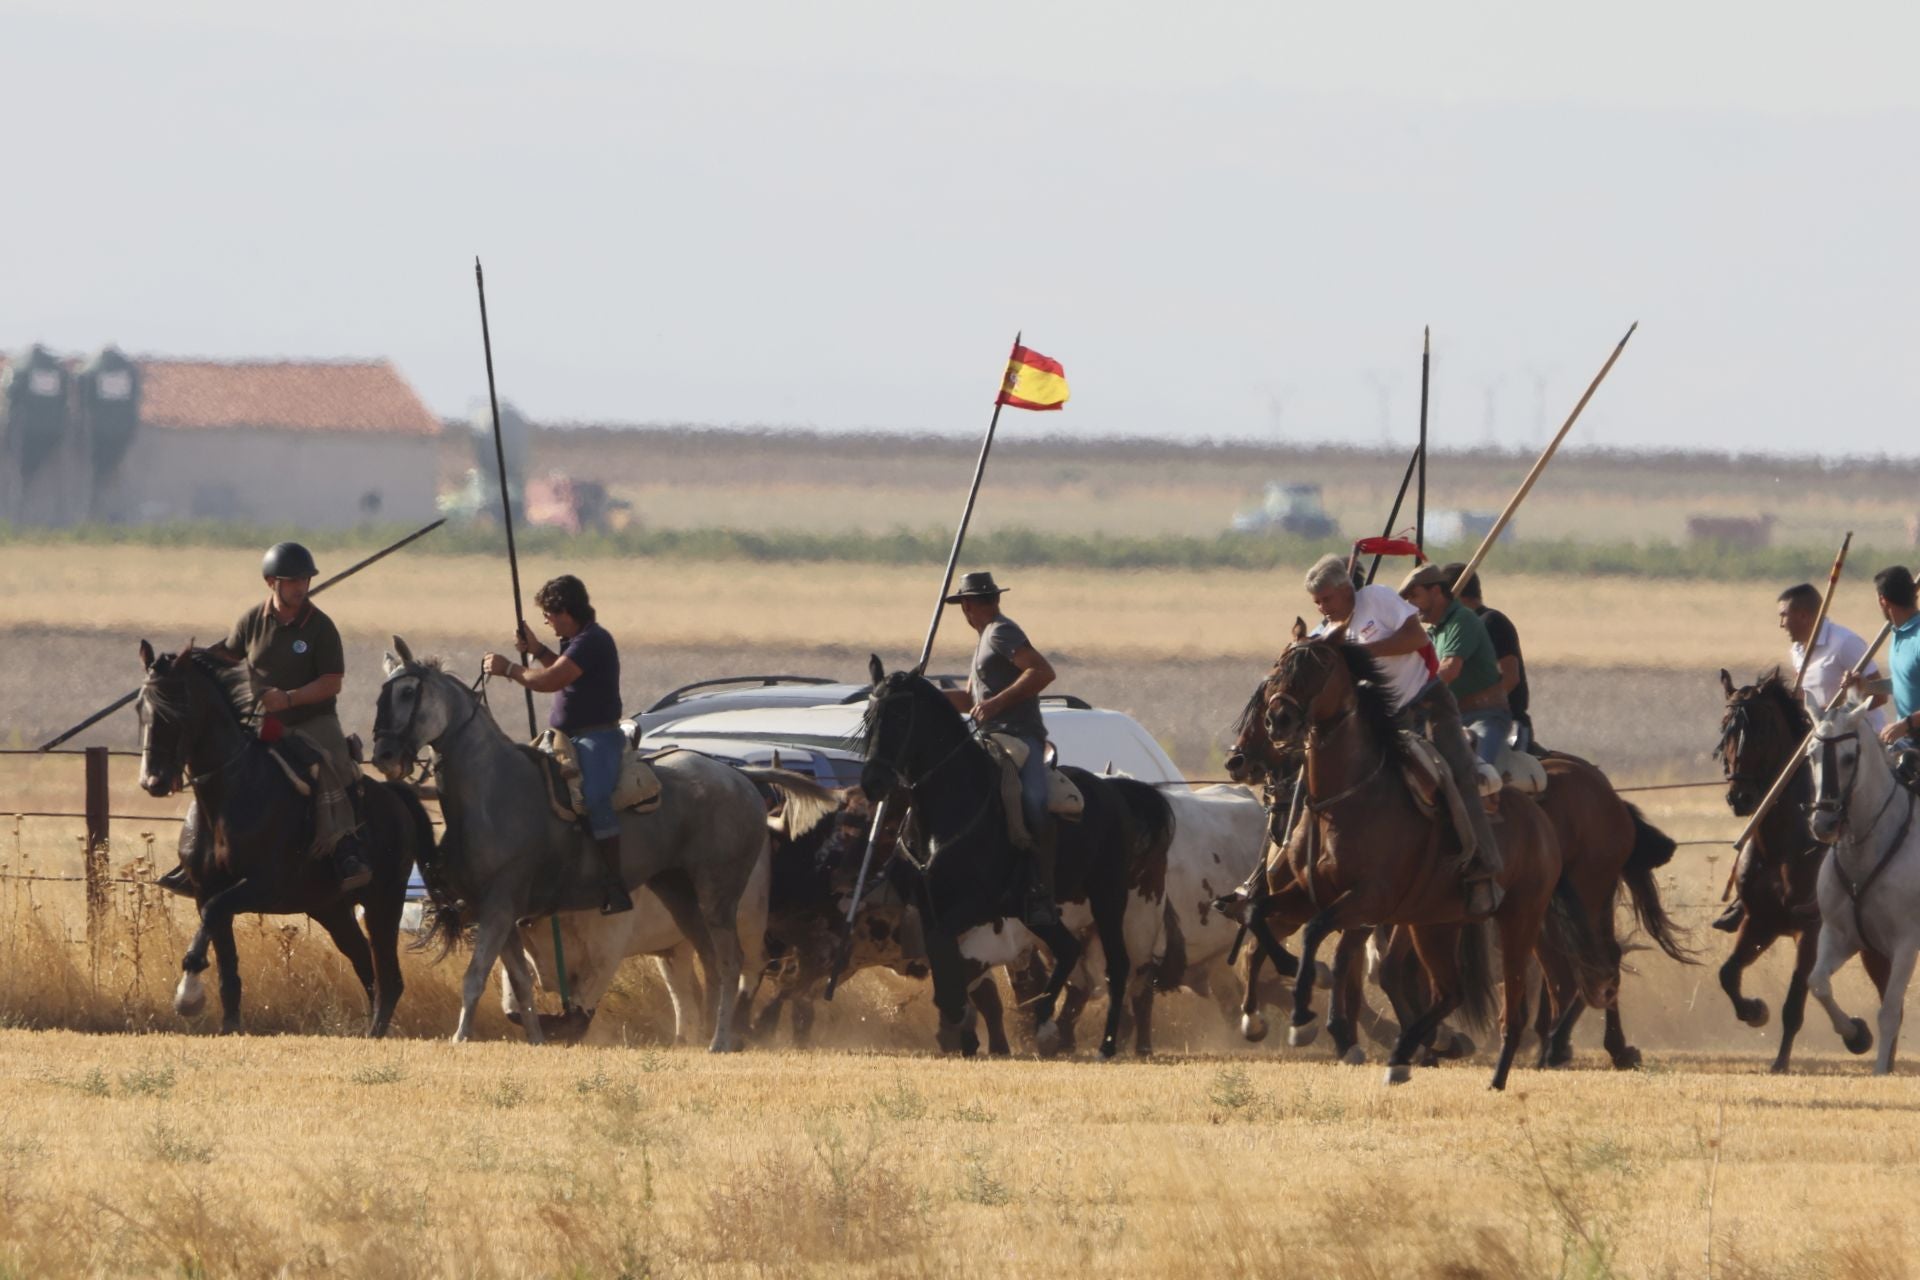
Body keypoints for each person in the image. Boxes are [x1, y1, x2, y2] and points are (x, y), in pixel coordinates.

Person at [1302, 553, 1502, 916]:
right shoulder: (1323, 634)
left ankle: (1482, 867)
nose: (1322, 607)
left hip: (1426, 705)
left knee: (1458, 773)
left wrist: (1360, 652)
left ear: (1346, 590)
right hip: (1379, 722)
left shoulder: (1376, 599)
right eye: (1317, 602)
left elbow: (1414, 637)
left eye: (1327, 599)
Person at [179, 542, 369, 892]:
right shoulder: (251, 620)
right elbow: (229, 656)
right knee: (221, 766)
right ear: (271, 582)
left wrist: (290, 698)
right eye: (293, 580)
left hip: (313, 720)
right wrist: (191, 663)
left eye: (306, 579)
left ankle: (346, 847)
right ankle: (199, 854)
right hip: (259, 721)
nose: (301, 586)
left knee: (336, 765)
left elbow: (332, 683)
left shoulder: (321, 627)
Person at [483, 575, 632, 914]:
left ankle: (615, 882)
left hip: (598, 738)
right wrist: (537, 651)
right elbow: (561, 668)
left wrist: (510, 668)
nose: (546, 623)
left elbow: (552, 680)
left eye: (548, 616)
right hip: (566, 739)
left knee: (594, 797)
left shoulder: (593, 640)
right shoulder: (577, 640)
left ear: (564, 611)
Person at [940, 571, 1060, 929]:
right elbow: (970, 700)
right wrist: (924, 696)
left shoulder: (1001, 632)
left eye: (967, 603)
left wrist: (995, 705)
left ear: (967, 605)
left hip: (1021, 738)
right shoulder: (983, 642)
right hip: (991, 740)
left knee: (1034, 804)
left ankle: (1042, 887)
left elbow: (1042, 672)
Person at [1446, 563, 1534, 751]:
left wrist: (1466, 706)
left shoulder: (1491, 622)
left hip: (1501, 723)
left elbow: (1510, 678)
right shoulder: (1451, 630)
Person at [1778, 582, 1885, 732]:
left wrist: (1830, 712)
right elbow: (1804, 698)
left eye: (1784, 616)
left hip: (1863, 740)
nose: (1781, 624)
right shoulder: (1796, 651)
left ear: (1803, 616)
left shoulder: (1845, 642)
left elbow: (1880, 696)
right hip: (1825, 739)